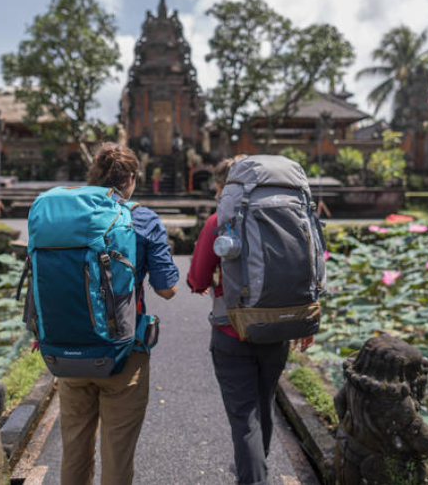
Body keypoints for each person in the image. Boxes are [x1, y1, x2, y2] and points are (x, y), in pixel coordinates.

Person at [187, 158, 314, 485]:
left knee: (244, 417)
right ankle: (255, 466)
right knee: (264, 403)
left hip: (234, 332)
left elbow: (197, 279)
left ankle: (253, 477)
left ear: (223, 187)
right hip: (280, 328)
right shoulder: (287, 215)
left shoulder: (219, 220)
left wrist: (211, 282)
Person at [59, 142, 179, 485]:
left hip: (69, 348)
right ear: (130, 178)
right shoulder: (141, 218)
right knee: (117, 453)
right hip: (123, 352)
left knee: (74, 450)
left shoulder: (69, 214)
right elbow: (167, 289)